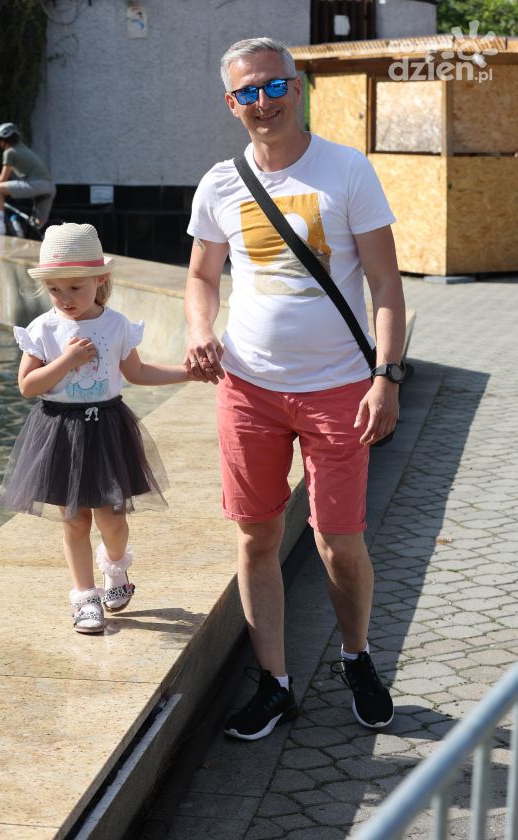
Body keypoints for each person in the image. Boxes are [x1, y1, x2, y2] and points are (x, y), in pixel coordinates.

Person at [184, 37, 406, 740]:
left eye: (274, 86)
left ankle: (356, 658)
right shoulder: (220, 183)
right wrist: (200, 328)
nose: (264, 102)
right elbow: (201, 276)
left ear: (297, 87)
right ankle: (274, 683)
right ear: (231, 104)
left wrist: (386, 376)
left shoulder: (347, 169)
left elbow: (386, 284)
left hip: (340, 388)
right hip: (247, 388)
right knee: (257, 537)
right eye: (248, 92)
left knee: (339, 543)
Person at [0, 223, 199, 634]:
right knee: (74, 520)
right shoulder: (43, 329)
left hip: (106, 427)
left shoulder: (116, 325)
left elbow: (137, 372)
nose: (65, 298)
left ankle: (116, 568)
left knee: (112, 519)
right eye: (55, 289)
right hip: (59, 429)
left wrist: (187, 373)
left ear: (100, 280)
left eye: (75, 287)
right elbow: (27, 386)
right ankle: (85, 597)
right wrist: (65, 362)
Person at [0, 122, 56, 235]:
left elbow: (2, 179)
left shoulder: (10, 152)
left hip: (36, 184)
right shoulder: (22, 148)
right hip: (50, 187)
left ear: (5, 139)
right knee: (37, 226)